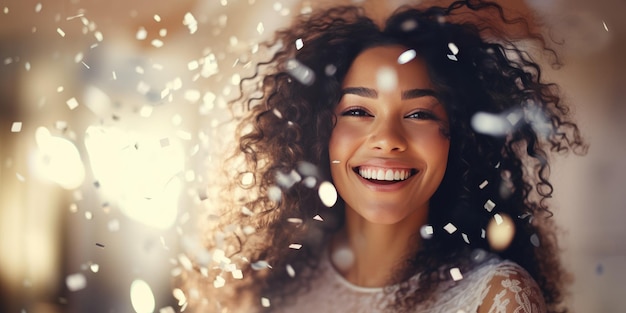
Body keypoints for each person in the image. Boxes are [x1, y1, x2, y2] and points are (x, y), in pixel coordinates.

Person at [179, 1, 586, 312]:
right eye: (358, 111)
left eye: (420, 114)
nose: (388, 139)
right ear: (318, 134)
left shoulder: (496, 297)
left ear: (457, 138)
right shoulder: (276, 285)